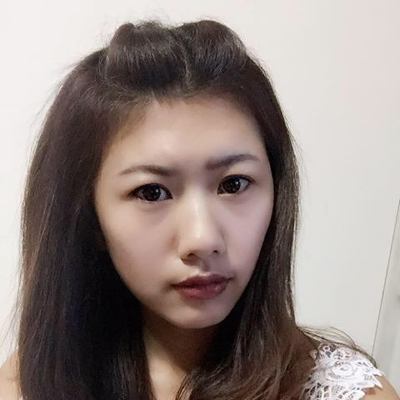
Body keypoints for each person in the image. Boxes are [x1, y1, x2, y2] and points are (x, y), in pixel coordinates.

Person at [0, 18, 398, 400]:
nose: (202, 239)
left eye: (233, 184)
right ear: (89, 219)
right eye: (152, 192)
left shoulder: (351, 393)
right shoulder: (28, 384)